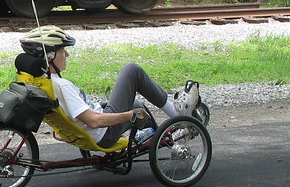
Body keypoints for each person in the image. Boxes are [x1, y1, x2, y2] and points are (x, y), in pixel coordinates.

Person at [16, 25, 200, 148]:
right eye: (63, 51)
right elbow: (94, 121)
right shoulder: (62, 86)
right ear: (49, 57)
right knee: (132, 70)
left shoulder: (37, 80)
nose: (67, 55)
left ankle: (160, 137)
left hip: (86, 131)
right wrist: (130, 116)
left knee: (136, 104)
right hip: (104, 134)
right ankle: (178, 114)